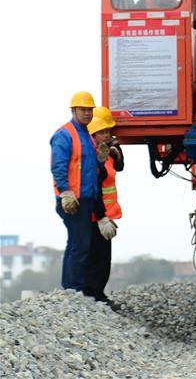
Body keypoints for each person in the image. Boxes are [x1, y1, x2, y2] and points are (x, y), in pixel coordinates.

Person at [51, 92, 100, 292]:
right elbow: (58, 166)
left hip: (87, 197)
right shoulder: (64, 134)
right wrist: (66, 192)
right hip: (73, 199)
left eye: (90, 110)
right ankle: (73, 288)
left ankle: (73, 288)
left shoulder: (87, 135)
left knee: (78, 243)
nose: (87, 113)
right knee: (79, 245)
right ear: (73, 110)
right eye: (83, 109)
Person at [84, 107, 123, 306]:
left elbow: (119, 166)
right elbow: (95, 189)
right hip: (96, 216)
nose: (106, 135)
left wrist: (116, 149)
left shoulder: (105, 154)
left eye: (108, 131)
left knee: (103, 258)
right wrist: (101, 217)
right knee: (96, 257)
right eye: (102, 132)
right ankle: (92, 295)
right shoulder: (93, 157)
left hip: (104, 214)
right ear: (93, 134)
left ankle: (97, 293)